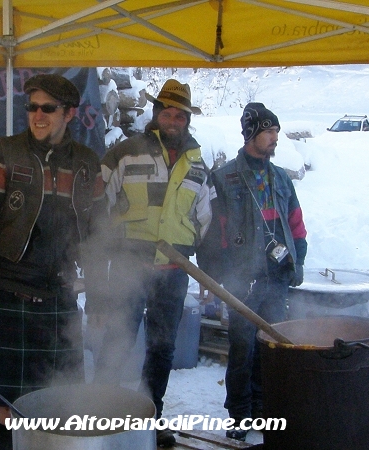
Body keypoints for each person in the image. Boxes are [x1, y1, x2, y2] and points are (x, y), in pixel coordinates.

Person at [0, 74, 108, 450]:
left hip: (59, 295)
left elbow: (96, 240)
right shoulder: (2, 153)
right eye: (32, 108)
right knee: (7, 409)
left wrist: (102, 301)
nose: (38, 116)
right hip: (8, 295)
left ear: (70, 113)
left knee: (60, 401)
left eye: (48, 108)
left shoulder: (88, 165)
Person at [91, 79, 214, 447]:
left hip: (174, 272)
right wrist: (104, 251)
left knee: (162, 348)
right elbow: (97, 207)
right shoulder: (124, 153)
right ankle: (99, 415)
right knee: (118, 339)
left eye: (180, 115)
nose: (173, 120)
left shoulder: (197, 165)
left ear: (187, 119)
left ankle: (150, 416)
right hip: (128, 266)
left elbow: (205, 219)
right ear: (156, 113)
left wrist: (205, 270)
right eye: (167, 112)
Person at [197, 102, 307, 441]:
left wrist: (297, 263)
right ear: (251, 134)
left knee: (270, 350)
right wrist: (223, 279)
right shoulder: (224, 177)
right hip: (241, 284)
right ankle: (240, 417)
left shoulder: (281, 178)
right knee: (243, 351)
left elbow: (296, 225)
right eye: (269, 131)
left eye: (276, 130)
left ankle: (264, 410)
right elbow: (210, 234)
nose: (275, 137)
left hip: (277, 279)